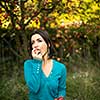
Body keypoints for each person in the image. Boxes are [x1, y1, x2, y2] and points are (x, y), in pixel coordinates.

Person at [24, 29, 67, 100]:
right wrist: (37, 62)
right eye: (33, 43)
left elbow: (62, 89)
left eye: (39, 41)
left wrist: (60, 97)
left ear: (48, 44)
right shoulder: (28, 65)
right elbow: (34, 88)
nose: (35, 45)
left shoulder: (61, 67)